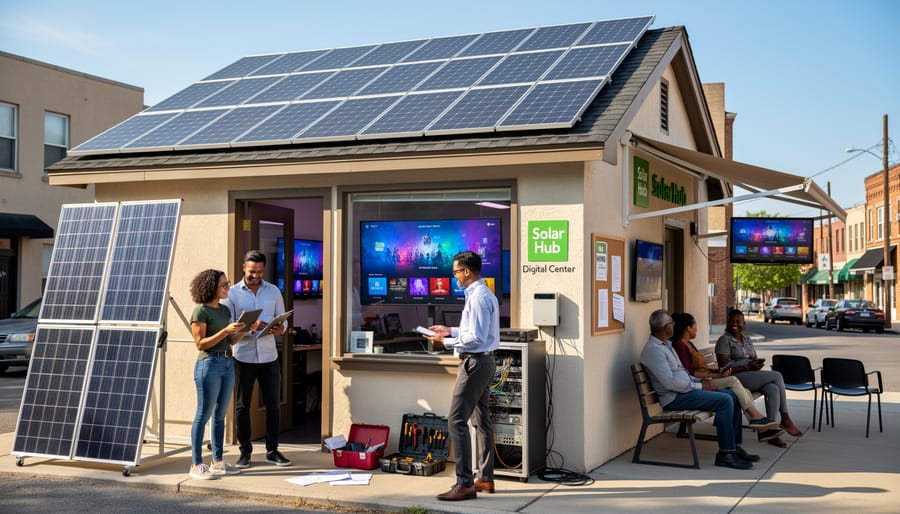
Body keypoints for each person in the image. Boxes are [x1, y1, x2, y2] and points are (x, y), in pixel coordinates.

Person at [640, 309, 758, 470]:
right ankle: (725, 454)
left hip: (686, 390)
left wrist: (699, 380)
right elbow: (669, 383)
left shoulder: (666, 345)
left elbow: (681, 374)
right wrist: (700, 386)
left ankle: (734, 447)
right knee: (724, 401)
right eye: (671, 323)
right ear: (665, 326)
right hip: (675, 398)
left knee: (733, 395)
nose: (673, 325)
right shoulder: (654, 350)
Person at [424, 250, 500, 501]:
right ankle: (485, 479)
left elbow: (476, 338)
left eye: (456, 271)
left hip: (475, 364)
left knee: (456, 420)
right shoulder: (482, 294)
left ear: (467, 271)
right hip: (484, 361)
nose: (454, 276)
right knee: (481, 422)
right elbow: (475, 330)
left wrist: (443, 341)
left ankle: (464, 483)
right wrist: (451, 329)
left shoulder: (478, 297)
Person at [227, 250, 291, 468]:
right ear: (244, 268)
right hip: (243, 357)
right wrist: (248, 327)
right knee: (242, 405)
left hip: (269, 356)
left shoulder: (273, 291)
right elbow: (229, 326)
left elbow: (283, 323)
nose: (256, 276)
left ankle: (273, 450)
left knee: (273, 404)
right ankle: (245, 451)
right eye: (253, 272)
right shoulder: (233, 293)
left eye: (260, 272)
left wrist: (278, 328)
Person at [670, 312, 781, 432]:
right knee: (734, 381)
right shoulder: (679, 346)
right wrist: (716, 375)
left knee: (746, 391)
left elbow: (698, 368)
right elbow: (689, 373)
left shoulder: (688, 343)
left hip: (707, 378)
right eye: (695, 325)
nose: (697, 328)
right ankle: (758, 419)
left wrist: (715, 371)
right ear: (688, 328)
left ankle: (759, 425)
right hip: (700, 382)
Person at [715, 308, 804, 448]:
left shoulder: (747, 339)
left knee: (773, 388)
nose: (734, 324)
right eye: (731, 321)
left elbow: (754, 357)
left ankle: (771, 432)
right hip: (735, 378)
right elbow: (724, 369)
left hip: (750, 374)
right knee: (777, 375)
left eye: (738, 321)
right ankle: (785, 417)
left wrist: (756, 365)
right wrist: (747, 367)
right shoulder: (724, 340)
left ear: (743, 323)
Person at [188, 269, 246, 480]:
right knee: (203, 415)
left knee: (220, 416)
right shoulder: (200, 311)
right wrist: (225, 331)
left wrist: (245, 330)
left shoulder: (223, 311)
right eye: (224, 285)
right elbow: (200, 343)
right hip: (209, 364)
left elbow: (229, 341)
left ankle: (218, 462)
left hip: (227, 362)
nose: (227, 288)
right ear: (211, 287)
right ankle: (196, 464)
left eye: (228, 283)